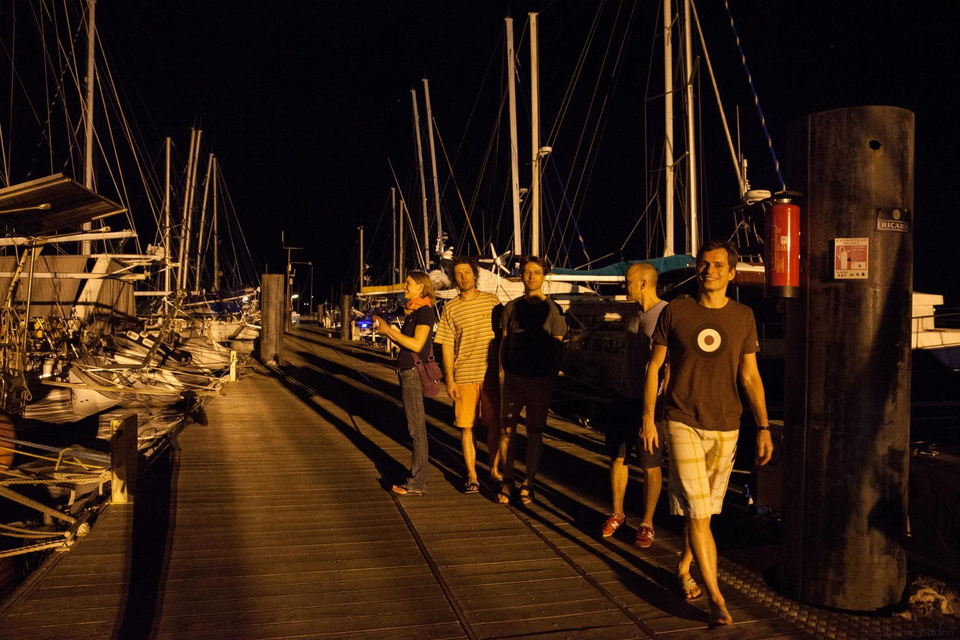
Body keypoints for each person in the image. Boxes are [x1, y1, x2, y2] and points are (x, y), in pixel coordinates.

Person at [641, 240, 773, 627]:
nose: (709, 270)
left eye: (717, 265)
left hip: (727, 425)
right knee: (699, 513)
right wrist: (648, 417)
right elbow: (655, 367)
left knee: (703, 512)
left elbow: (750, 376)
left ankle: (684, 567)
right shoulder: (676, 310)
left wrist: (763, 427)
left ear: (732, 273)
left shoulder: (743, 316)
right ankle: (716, 599)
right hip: (682, 419)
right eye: (703, 263)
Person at [600, 262, 668, 548]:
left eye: (627, 281)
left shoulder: (664, 315)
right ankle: (618, 513)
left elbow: (667, 367)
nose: (623, 285)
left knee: (650, 464)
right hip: (622, 397)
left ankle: (647, 522)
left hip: (650, 403)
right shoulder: (633, 312)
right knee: (617, 457)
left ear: (642, 283)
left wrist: (655, 409)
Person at [497, 256, 567, 506]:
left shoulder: (553, 310)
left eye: (537, 272)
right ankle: (507, 479)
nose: (532, 276)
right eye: (527, 272)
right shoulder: (511, 308)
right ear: (521, 276)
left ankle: (528, 482)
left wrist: (551, 378)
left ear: (544, 276)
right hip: (513, 378)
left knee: (535, 432)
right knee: (507, 431)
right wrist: (501, 372)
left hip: (540, 380)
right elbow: (504, 342)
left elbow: (558, 347)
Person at [435, 256, 506, 493]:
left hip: (491, 376)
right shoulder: (450, 308)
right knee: (467, 427)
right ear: (454, 278)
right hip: (464, 376)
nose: (463, 277)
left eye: (467, 272)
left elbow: (504, 338)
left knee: (494, 426)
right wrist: (449, 379)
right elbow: (446, 345)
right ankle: (472, 475)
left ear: (475, 274)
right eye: (458, 274)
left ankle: (494, 471)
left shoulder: (492, 301)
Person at [374, 271, 438, 496]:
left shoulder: (425, 312)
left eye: (408, 283)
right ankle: (417, 478)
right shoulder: (414, 311)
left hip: (413, 374)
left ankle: (418, 482)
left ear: (421, 287)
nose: (404, 286)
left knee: (416, 429)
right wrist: (387, 331)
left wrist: (389, 330)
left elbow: (417, 344)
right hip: (406, 373)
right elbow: (405, 343)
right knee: (414, 427)